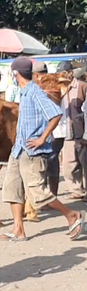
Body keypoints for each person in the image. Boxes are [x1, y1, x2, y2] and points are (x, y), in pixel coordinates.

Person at [0, 57, 85, 241]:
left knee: (38, 194)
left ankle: (72, 215)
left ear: (15, 73)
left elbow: (55, 114)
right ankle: (18, 230)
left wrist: (42, 138)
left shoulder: (35, 93)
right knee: (12, 189)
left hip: (32, 152)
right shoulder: (24, 93)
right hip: (19, 150)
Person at [59, 61, 87, 199]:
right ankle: (77, 191)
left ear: (71, 72)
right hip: (66, 131)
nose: (63, 75)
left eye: (64, 72)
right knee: (69, 164)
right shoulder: (58, 88)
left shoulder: (82, 86)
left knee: (84, 162)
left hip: (82, 131)